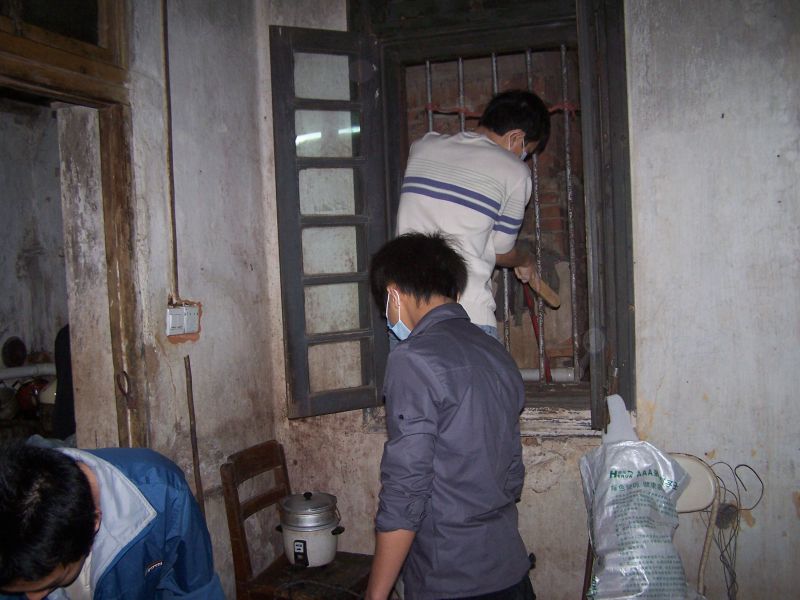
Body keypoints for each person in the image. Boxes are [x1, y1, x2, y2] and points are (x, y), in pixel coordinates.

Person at [366, 233, 534, 600]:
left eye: (384, 306)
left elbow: (405, 491)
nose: (386, 317)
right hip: (509, 568)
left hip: (451, 577)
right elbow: (512, 476)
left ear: (393, 294)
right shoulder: (496, 354)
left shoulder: (413, 359)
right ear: (454, 292)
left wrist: (376, 595)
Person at [396, 90, 551, 338]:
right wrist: (525, 260)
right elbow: (501, 251)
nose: (524, 158)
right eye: (527, 151)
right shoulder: (514, 171)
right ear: (515, 137)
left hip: (406, 311)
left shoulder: (423, 146)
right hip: (466, 313)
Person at [0, 443, 224, 600]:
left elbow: (195, 590)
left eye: (52, 584)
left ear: (94, 524)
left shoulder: (163, 494)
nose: (33, 597)